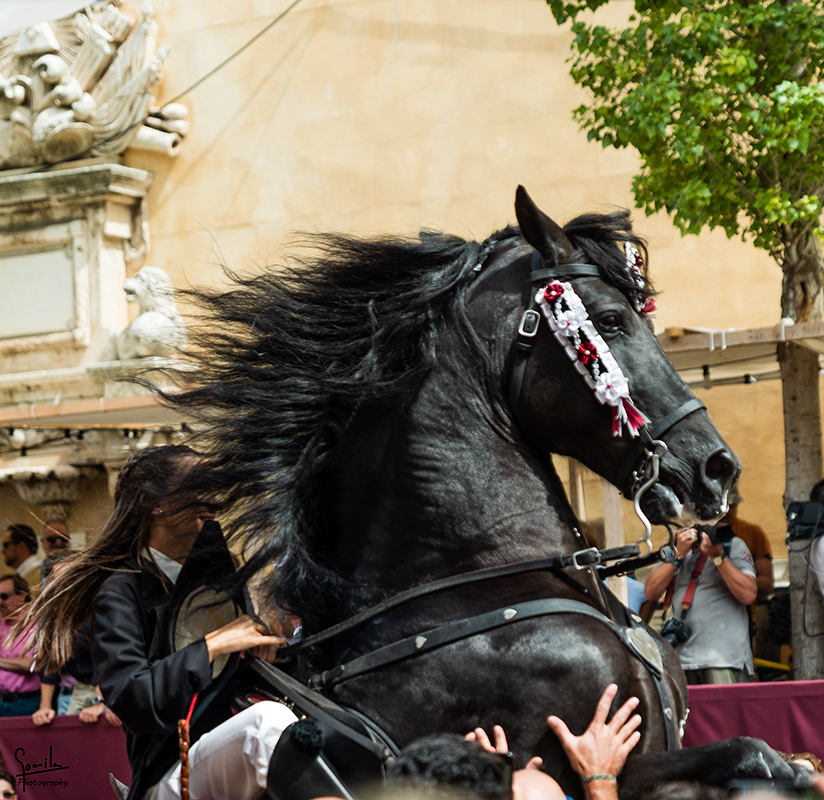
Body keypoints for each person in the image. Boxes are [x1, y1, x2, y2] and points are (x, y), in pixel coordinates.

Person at [23, 445, 297, 800]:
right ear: (152, 502)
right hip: (169, 771)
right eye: (199, 485)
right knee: (267, 727)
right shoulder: (120, 592)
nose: (214, 500)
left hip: (231, 753)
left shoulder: (222, 580)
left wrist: (268, 652)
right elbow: (134, 699)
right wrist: (213, 645)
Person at [644, 526, 757, 684]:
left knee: (723, 709)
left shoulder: (732, 545)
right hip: (681, 663)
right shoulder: (675, 551)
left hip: (723, 661)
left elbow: (748, 594)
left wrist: (718, 557)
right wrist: (678, 554)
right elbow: (650, 592)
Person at [720, 486, 774, 603]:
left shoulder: (752, 533)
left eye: (731, 505)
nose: (726, 511)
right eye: (722, 505)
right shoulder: (696, 533)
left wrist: (736, 581)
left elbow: (767, 584)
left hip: (743, 614)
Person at [0, 573, 39, 717]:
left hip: (25, 703)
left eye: (4, 596)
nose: (0, 602)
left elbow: (30, 665)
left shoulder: (34, 625)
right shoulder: (3, 625)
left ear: (22, 595)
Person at [2, 524, 42, 591]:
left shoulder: (37, 572)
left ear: (20, 546)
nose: (2, 551)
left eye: (6, 545)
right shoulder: (24, 574)